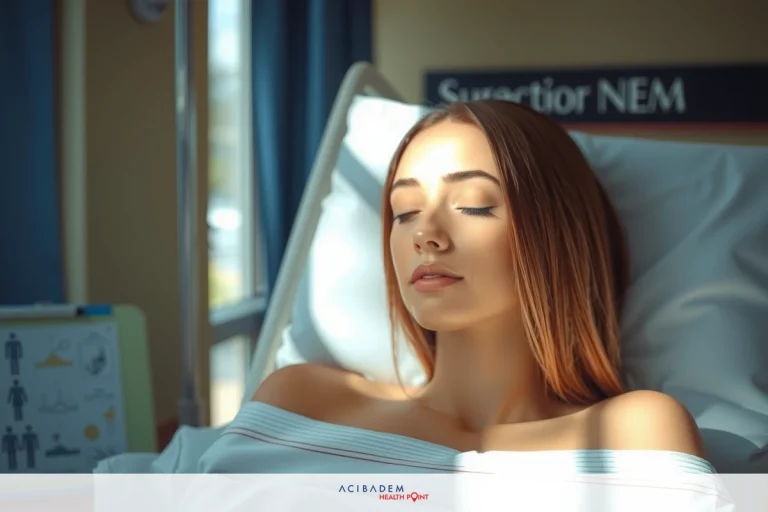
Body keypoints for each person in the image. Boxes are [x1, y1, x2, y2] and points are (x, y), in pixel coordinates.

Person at [95, 100, 713, 477]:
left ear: (559, 235)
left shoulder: (637, 429)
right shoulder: (305, 397)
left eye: (474, 205)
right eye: (403, 211)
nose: (425, 235)